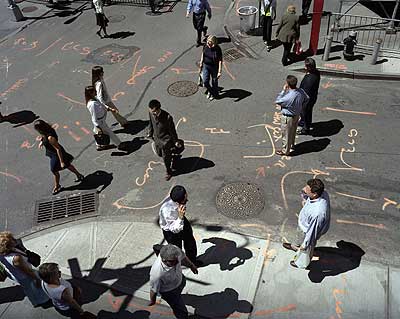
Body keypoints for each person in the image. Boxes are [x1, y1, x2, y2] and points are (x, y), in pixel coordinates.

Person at [282, 179, 330, 269]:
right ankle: (295, 247)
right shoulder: (322, 194)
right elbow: (306, 195)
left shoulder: (318, 213)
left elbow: (312, 233)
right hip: (303, 225)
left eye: (307, 189)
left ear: (314, 194)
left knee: (307, 249)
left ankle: (302, 263)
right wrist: (305, 196)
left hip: (307, 230)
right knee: (298, 238)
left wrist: (305, 245)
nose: (304, 189)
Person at [33, 120, 84, 195]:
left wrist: (61, 161)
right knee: (68, 165)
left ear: (40, 129)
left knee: (54, 170)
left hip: (56, 155)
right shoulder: (47, 131)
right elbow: (44, 137)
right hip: (52, 152)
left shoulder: (50, 137)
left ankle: (57, 186)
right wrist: (42, 141)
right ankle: (79, 175)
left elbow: (58, 149)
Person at [0, 232, 49, 307]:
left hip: (15, 274)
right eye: (12, 240)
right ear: (8, 246)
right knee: (35, 288)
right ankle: (42, 300)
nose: (14, 240)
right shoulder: (16, 258)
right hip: (25, 276)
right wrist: (36, 279)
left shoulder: (3, 254)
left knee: (28, 289)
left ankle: (35, 301)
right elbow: (27, 271)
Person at [149, 244, 198, 319]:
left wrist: (191, 265)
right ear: (164, 260)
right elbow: (153, 290)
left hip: (180, 281)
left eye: (176, 259)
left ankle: (179, 298)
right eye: (173, 261)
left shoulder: (175, 252)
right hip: (170, 292)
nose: (177, 262)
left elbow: (183, 257)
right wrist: (153, 301)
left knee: (179, 296)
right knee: (180, 309)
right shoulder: (157, 273)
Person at [159, 185, 198, 264]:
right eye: (185, 199)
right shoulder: (167, 210)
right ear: (179, 201)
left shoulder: (176, 200)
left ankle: (192, 261)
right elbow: (174, 229)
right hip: (171, 232)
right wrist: (180, 216)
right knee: (177, 251)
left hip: (181, 220)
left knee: (190, 242)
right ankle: (178, 266)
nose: (187, 200)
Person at [275, 75, 309, 156]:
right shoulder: (301, 91)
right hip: (296, 115)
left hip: (288, 117)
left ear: (288, 84)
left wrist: (283, 91)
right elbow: (307, 98)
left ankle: (285, 151)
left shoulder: (288, 97)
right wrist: (301, 107)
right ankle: (292, 145)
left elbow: (278, 101)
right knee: (293, 132)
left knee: (286, 134)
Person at [147, 99, 180, 181]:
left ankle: (168, 171)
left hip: (165, 141)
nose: (153, 113)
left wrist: (175, 141)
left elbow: (172, 131)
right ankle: (173, 155)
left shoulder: (167, 117)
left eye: (154, 111)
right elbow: (151, 123)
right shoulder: (151, 112)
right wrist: (150, 133)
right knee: (159, 154)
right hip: (157, 139)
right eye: (152, 111)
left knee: (166, 158)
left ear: (158, 109)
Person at [85, 85, 123, 151]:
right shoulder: (92, 104)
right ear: (90, 93)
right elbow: (94, 116)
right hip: (100, 122)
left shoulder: (95, 99)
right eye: (94, 91)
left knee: (99, 133)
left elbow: (102, 105)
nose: (96, 92)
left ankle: (99, 145)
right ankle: (119, 144)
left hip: (101, 120)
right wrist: (97, 126)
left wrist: (110, 109)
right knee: (109, 132)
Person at [297, 58, 321, 135]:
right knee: (308, 112)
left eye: (306, 66)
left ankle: (305, 129)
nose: (305, 67)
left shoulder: (309, 79)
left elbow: (305, 93)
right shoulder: (316, 72)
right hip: (313, 97)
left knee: (305, 112)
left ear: (310, 67)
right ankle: (304, 122)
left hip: (307, 100)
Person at [199, 35, 223, 101]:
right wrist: (201, 62)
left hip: (214, 67)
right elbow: (203, 53)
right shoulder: (205, 46)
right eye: (208, 43)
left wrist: (219, 71)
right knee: (205, 81)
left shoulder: (217, 49)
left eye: (210, 43)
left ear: (214, 43)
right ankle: (211, 91)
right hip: (206, 66)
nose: (209, 45)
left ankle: (214, 93)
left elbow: (220, 60)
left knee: (214, 82)